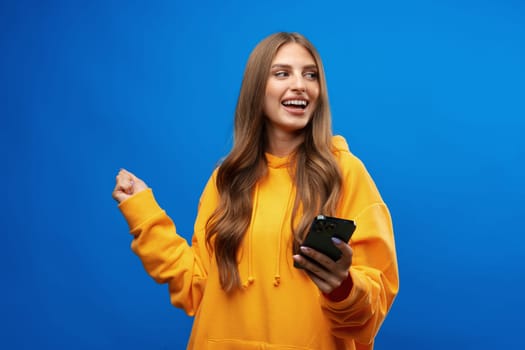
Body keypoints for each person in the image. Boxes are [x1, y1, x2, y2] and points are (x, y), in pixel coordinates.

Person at [112, 32, 399, 350]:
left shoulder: (345, 174)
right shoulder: (227, 179)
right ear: (256, 89)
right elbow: (196, 287)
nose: (300, 85)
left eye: (310, 74)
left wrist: (343, 287)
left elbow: (370, 313)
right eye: (282, 73)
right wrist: (144, 214)